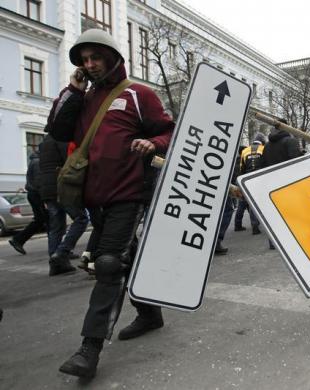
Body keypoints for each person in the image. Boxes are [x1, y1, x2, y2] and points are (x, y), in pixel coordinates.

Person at [46, 29, 174, 378]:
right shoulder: (83, 98)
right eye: (84, 60)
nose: (90, 64)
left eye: (95, 57)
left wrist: (152, 143)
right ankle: (150, 314)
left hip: (128, 193)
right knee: (123, 259)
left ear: (112, 56)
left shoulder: (138, 94)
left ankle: (89, 349)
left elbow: (167, 131)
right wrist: (73, 89)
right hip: (95, 199)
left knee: (106, 263)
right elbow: (57, 130)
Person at [39, 134, 89, 276]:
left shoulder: (44, 142)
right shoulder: (63, 139)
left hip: (47, 188)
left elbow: (43, 168)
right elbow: (71, 162)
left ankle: (55, 262)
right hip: (61, 185)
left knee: (56, 225)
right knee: (81, 219)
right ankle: (61, 253)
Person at [260, 119, 301, 249]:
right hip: (289, 183)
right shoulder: (291, 141)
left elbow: (263, 165)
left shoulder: (267, 146)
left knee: (276, 214)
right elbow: (295, 163)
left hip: (272, 184)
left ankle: (274, 242)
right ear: (286, 127)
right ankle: (295, 241)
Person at [8, 151, 49, 255]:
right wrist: (45, 199)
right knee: (43, 219)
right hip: (36, 194)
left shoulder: (34, 161)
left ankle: (18, 240)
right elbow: (39, 182)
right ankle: (18, 240)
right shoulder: (38, 162)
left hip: (33, 194)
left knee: (43, 219)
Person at [234, 133, 266, 234]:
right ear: (262, 141)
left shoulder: (245, 150)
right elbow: (266, 163)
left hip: (247, 179)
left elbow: (241, 168)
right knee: (258, 202)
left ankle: (245, 225)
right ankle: (259, 225)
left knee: (247, 203)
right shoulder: (264, 148)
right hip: (260, 178)